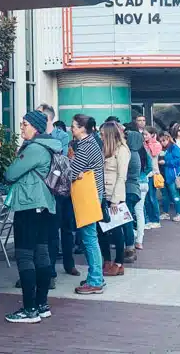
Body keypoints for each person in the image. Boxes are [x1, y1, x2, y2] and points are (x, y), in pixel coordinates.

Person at [2, 109, 60, 323]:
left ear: (35, 127)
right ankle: (42, 304)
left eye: (24, 124)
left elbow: (10, 174)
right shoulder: (49, 146)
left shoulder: (35, 148)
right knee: (41, 254)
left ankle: (29, 309)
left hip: (29, 204)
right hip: (45, 206)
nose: (21, 128)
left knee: (26, 255)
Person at [39, 103, 76, 283]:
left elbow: (56, 156)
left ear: (47, 118)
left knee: (64, 229)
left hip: (60, 190)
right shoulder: (35, 136)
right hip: (43, 190)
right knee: (48, 232)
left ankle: (66, 264)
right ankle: (48, 270)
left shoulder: (61, 136)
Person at [68, 115, 105, 294]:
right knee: (91, 238)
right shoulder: (92, 143)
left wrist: (69, 164)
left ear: (83, 128)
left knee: (89, 239)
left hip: (88, 196)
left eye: (74, 126)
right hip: (93, 195)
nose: (71, 128)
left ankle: (96, 279)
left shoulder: (85, 147)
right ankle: (95, 276)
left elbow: (72, 172)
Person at [98, 121, 128, 275]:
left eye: (103, 134)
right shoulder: (104, 149)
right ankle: (107, 260)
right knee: (101, 230)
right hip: (103, 194)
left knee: (116, 230)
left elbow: (121, 176)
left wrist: (115, 199)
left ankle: (119, 262)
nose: (100, 136)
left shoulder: (122, 150)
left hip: (115, 195)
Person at [123, 123, 147, 252]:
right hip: (138, 185)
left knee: (127, 218)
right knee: (138, 213)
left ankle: (130, 243)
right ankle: (138, 240)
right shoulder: (138, 153)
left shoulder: (130, 155)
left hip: (131, 188)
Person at [158, 132, 180, 222]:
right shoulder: (160, 148)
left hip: (172, 175)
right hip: (163, 175)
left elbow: (178, 160)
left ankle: (179, 213)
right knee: (165, 195)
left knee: (175, 194)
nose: (162, 142)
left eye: (163, 140)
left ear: (168, 138)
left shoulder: (174, 147)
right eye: (160, 141)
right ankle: (165, 213)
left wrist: (166, 162)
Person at [142, 127, 162, 229]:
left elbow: (154, 154)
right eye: (144, 135)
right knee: (146, 199)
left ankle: (156, 219)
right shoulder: (143, 144)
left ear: (152, 134)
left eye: (146, 134)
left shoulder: (157, 144)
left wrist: (149, 143)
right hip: (145, 174)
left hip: (153, 173)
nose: (144, 136)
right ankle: (149, 220)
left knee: (152, 197)